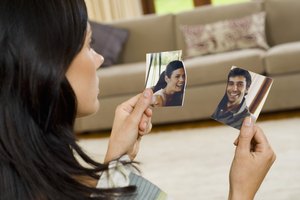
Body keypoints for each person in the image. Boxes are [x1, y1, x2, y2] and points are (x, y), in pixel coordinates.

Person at [0, 0, 275, 199]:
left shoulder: (30, 177)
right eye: (89, 44)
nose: (99, 59)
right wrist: (241, 192)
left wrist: (116, 160)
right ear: (45, 64)